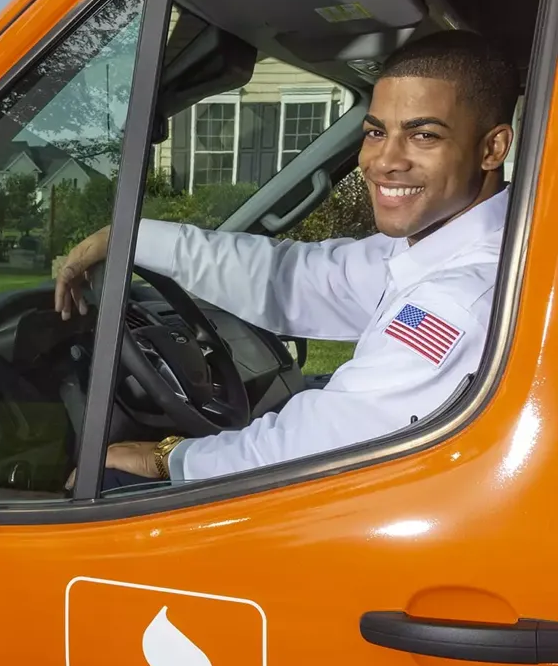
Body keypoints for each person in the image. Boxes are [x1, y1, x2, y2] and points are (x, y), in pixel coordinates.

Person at [55, 31, 519, 487]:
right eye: (377, 132)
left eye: (423, 135)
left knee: (103, 485)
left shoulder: (461, 297)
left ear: (492, 148)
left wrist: (166, 457)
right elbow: (291, 276)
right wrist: (130, 238)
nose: (383, 161)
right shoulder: (438, 246)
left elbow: (323, 441)